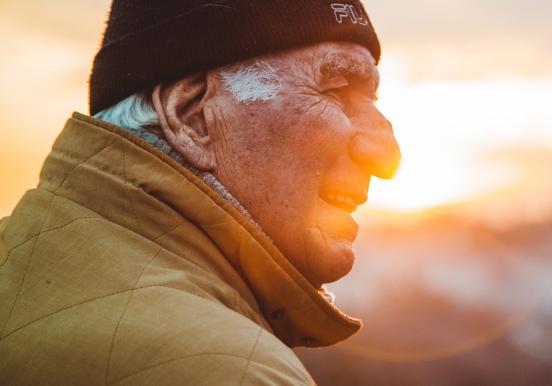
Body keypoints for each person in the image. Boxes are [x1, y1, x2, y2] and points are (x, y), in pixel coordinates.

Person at [0, 1, 400, 384]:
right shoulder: (238, 374)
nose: (386, 154)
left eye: (374, 100)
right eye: (335, 91)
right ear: (191, 118)